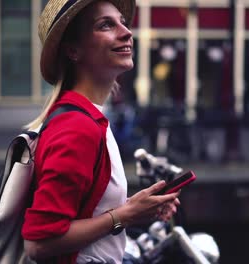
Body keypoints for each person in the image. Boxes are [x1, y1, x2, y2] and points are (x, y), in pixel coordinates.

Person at [22, 1, 181, 263]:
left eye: (122, 22)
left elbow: (86, 208)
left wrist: (135, 208)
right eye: (106, 25)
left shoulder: (87, 118)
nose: (126, 32)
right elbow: (39, 243)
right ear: (73, 50)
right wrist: (124, 215)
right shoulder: (77, 128)